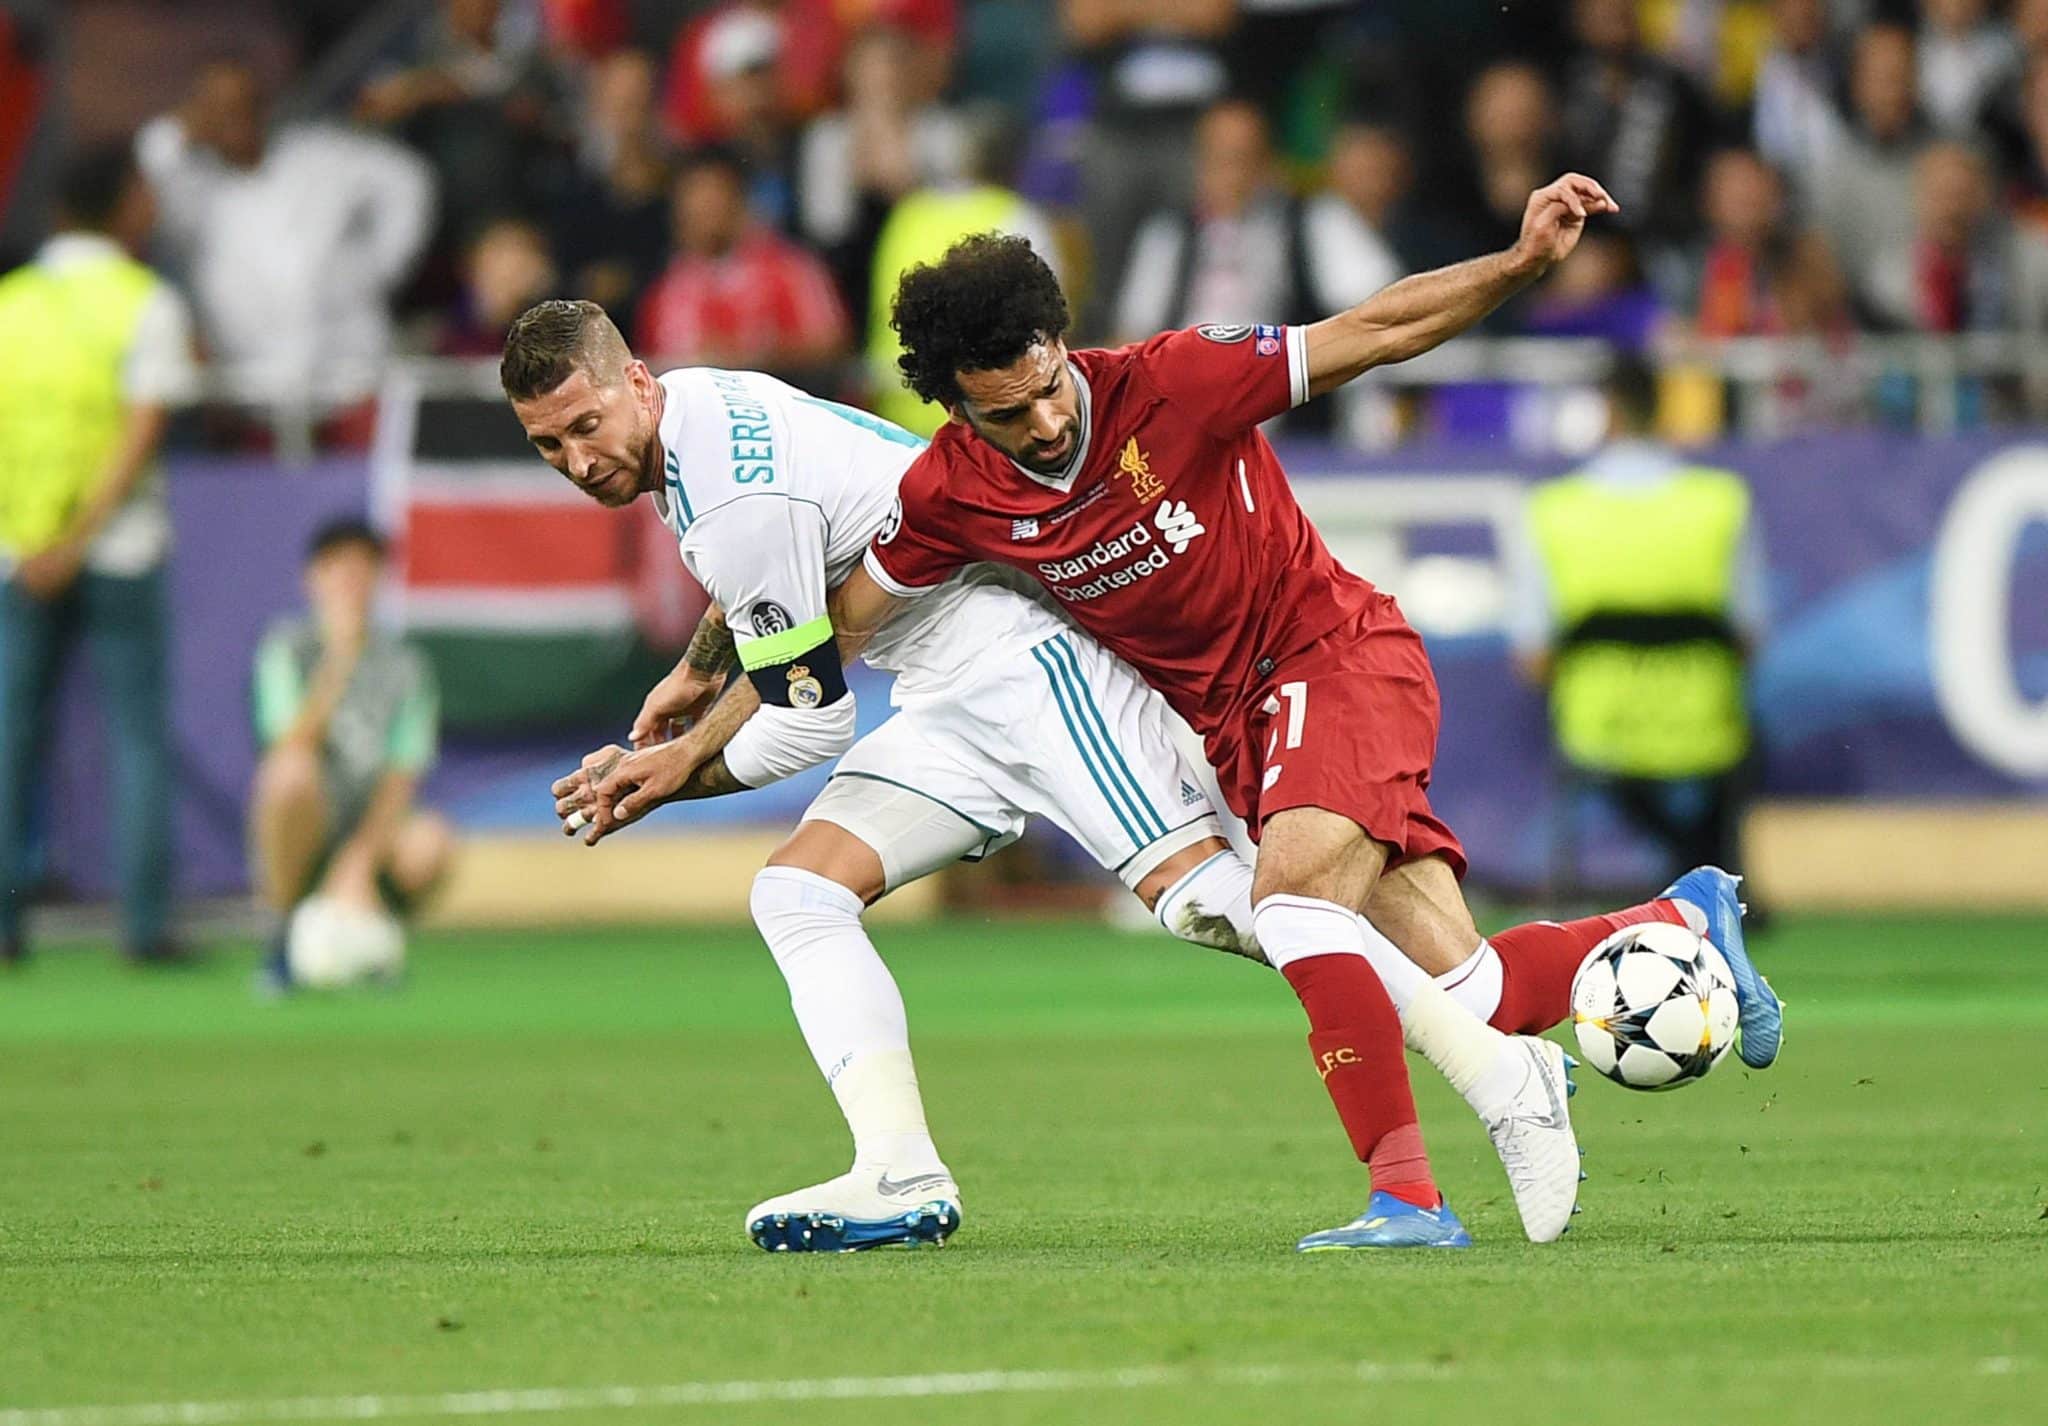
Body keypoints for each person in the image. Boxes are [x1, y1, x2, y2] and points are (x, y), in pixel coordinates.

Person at [818, 188, 1786, 1249]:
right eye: (1005, 413)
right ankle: (1686, 916)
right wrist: (694, 727)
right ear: (952, 407)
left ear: (1060, 342)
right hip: (1241, 732)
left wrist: (1514, 266)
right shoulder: (949, 492)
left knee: (1285, 905)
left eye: (1047, 387)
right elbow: (838, 626)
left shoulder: (1174, 379)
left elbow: (1369, 330)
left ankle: (1407, 1197)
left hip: (1333, 658)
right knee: (1472, 987)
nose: (1043, 423)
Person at [503, 299, 1263, 1251]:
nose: (578, 460)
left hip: (1027, 660)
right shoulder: (698, 405)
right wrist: (703, 671)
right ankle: (899, 1172)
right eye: (548, 446)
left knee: (1212, 904)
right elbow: (787, 577)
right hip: (948, 691)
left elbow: (814, 718)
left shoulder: (726, 501)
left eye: (586, 426)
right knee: (798, 894)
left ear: (637, 384)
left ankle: (1482, 1033)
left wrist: (669, 775)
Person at [0, 143, 195, 968]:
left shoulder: (10, 305)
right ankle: (144, 929)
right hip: (118, 549)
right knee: (138, 738)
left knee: (12, 735)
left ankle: (5, 929)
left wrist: (38, 541)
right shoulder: (144, 302)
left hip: (19, 550)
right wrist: (79, 540)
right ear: (122, 207)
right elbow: (140, 431)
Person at [1510, 358, 1766, 890]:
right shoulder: (1721, 502)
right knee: (1748, 746)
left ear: (1605, 413)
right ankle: (1700, 868)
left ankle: (1687, 866)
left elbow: (1533, 660)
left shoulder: (1552, 511)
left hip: (1598, 725)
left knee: (1593, 754)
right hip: (1705, 724)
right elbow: (1748, 639)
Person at [137, 54, 434, 432]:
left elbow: (408, 182)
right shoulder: (193, 196)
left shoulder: (318, 154)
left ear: (263, 105)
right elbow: (151, 165)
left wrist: (381, 270)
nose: (233, 118)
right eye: (217, 108)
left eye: (243, 105)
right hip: (258, 405)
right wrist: (179, 130)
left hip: (355, 384)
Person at [248, 519, 455, 992]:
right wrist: (339, 659)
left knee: (431, 841)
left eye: (363, 569)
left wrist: (359, 861)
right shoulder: (287, 648)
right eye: (337, 568)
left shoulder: (406, 666)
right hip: (312, 820)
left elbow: (402, 775)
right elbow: (289, 746)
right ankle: (281, 937)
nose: (351, 582)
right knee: (287, 776)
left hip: (370, 826)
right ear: (312, 579)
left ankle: (373, 933)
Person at [634, 147, 850, 371]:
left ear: (738, 200)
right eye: (695, 201)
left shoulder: (790, 269)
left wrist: (750, 360)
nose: (704, 211)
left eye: (714, 199)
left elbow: (830, 346)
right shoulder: (666, 290)